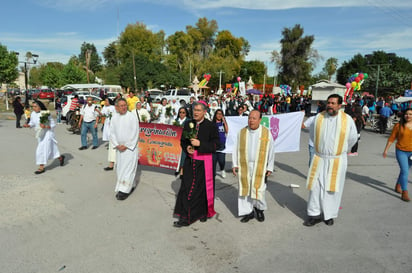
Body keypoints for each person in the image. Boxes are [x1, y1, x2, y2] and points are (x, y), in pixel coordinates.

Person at [304, 94, 358, 226]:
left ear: (340, 106)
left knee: (332, 188)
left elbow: (352, 138)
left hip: (337, 160)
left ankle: (329, 214)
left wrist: (340, 150)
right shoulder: (319, 117)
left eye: (333, 103)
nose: (330, 105)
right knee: (315, 187)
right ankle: (314, 214)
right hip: (319, 158)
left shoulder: (347, 120)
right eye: (329, 103)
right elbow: (312, 134)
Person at [173, 101, 220, 227]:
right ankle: (185, 217)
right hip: (190, 161)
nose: (196, 112)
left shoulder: (211, 126)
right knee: (187, 188)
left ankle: (203, 212)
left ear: (205, 112)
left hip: (204, 163)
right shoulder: (189, 124)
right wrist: (187, 147)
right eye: (194, 110)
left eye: (199, 110)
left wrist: (201, 145)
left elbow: (217, 145)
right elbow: (183, 140)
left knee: (202, 190)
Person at [232, 110, 275, 223]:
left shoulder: (266, 133)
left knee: (259, 189)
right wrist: (235, 164)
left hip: (259, 166)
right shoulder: (242, 132)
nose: (251, 120)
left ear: (260, 120)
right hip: (244, 165)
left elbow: (271, 150)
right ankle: (248, 212)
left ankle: (259, 209)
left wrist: (270, 167)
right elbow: (235, 149)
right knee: (244, 189)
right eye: (249, 118)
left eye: (254, 118)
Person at [109, 98, 139, 200]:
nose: (124, 107)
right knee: (121, 169)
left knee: (129, 169)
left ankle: (125, 190)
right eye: (121, 106)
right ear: (117, 107)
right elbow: (112, 133)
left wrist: (127, 145)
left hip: (129, 149)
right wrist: (117, 144)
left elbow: (135, 133)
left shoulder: (132, 117)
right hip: (119, 149)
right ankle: (130, 185)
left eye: (125, 105)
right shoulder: (114, 118)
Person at [23, 100, 65, 174]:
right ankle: (60, 157)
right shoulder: (33, 113)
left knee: (41, 149)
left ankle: (41, 167)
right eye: (33, 107)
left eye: (35, 106)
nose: (34, 108)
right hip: (40, 134)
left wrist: (45, 126)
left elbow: (53, 124)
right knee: (52, 149)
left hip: (48, 134)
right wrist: (28, 125)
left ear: (40, 107)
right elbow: (32, 122)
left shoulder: (45, 114)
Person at [383, 108, 412, 202]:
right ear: (404, 115)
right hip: (401, 151)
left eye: (411, 114)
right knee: (405, 171)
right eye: (407, 114)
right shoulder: (398, 126)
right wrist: (386, 150)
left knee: (405, 170)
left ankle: (398, 185)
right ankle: (405, 191)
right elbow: (392, 138)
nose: (408, 116)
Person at [101, 98, 117, 171]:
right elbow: (102, 114)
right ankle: (111, 165)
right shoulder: (104, 107)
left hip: (117, 131)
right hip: (109, 126)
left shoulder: (114, 108)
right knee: (112, 148)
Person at [174, 107, 190, 177]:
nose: (181, 114)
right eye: (180, 112)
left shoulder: (188, 121)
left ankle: (182, 171)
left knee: (183, 156)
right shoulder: (176, 120)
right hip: (176, 141)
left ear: (186, 113)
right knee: (176, 156)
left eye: (183, 112)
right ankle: (177, 169)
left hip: (184, 141)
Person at [212, 109, 228, 179]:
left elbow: (227, 131)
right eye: (218, 114)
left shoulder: (223, 123)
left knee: (221, 160)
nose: (219, 115)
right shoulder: (212, 123)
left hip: (222, 143)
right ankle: (213, 173)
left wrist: (224, 123)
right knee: (213, 160)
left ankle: (222, 169)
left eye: (221, 114)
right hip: (214, 144)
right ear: (215, 115)